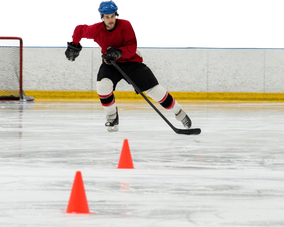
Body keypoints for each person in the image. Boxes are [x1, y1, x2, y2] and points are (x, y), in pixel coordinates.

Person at [65, 0, 191, 132]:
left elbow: (132, 45)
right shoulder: (95, 28)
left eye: (112, 16)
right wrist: (74, 46)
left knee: (155, 90)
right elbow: (79, 30)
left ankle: (180, 114)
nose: (110, 20)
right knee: (103, 86)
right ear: (101, 17)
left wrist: (118, 53)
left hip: (132, 62)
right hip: (110, 64)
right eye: (107, 17)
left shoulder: (126, 25)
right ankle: (112, 117)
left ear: (116, 15)